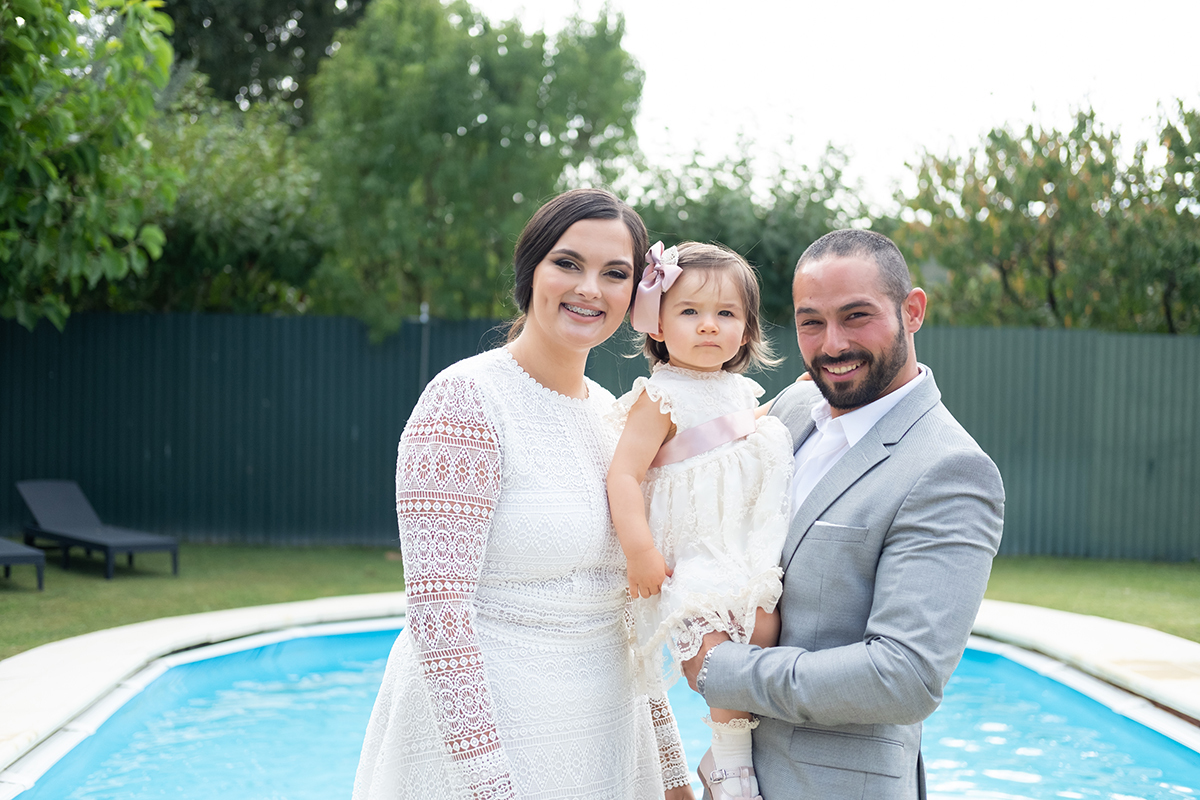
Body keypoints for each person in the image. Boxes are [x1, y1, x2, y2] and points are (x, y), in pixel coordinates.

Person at [353, 189, 694, 800]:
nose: (590, 288)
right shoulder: (465, 401)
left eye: (615, 273)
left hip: (603, 748)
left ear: (637, 296)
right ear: (530, 270)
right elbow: (439, 618)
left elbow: (626, 612)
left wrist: (670, 770)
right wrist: (489, 786)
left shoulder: (615, 422)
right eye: (568, 264)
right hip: (489, 754)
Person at [682, 229, 1005, 799]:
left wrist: (722, 669)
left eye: (856, 316)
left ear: (913, 310)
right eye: (812, 321)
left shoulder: (950, 470)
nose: (832, 344)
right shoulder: (796, 406)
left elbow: (903, 676)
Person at [607, 241, 794, 800]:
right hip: (688, 552)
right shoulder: (659, 397)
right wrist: (640, 550)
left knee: (763, 628)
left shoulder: (743, 392)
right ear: (658, 324)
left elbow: (741, 445)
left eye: (726, 314)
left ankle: (723, 752)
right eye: (690, 311)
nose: (708, 326)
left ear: (747, 330)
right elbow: (622, 475)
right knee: (708, 653)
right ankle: (732, 765)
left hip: (738, 545)